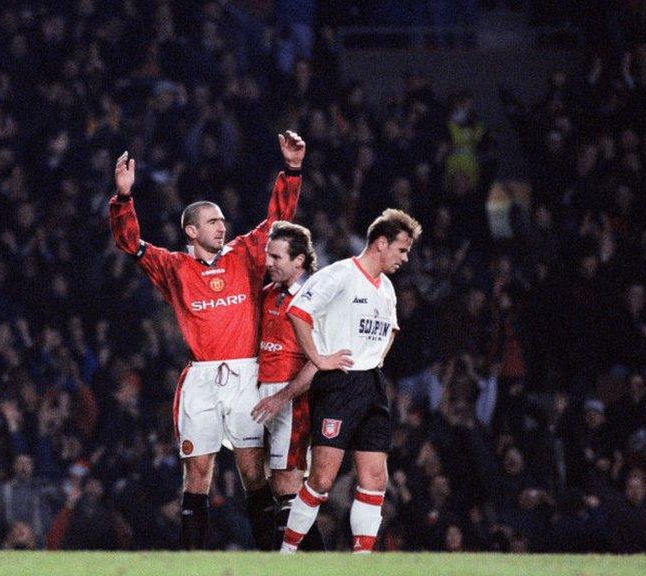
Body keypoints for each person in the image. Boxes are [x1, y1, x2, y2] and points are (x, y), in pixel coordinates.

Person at [110, 131, 305, 550]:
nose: (222, 226)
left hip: (246, 375)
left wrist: (291, 170)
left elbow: (277, 222)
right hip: (200, 378)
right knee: (197, 473)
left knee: (253, 471)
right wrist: (124, 199)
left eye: (222, 221)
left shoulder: (246, 254)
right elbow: (130, 244)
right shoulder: (174, 267)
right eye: (213, 222)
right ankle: (192, 560)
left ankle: (269, 557)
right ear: (192, 230)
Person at [280, 208, 422, 554]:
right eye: (402, 249)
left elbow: (390, 331)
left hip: (372, 385)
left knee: (375, 478)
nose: (405, 258)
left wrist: (374, 359)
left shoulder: (386, 288)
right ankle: (285, 556)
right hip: (338, 384)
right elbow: (298, 311)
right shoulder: (341, 274)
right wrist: (319, 358)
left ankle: (360, 563)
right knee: (322, 479)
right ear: (381, 243)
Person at [249, 220, 328, 550]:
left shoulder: (316, 299)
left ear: (299, 261)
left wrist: (283, 396)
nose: (269, 262)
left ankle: (298, 561)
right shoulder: (268, 295)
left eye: (277, 257)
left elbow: (318, 360)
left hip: (295, 400)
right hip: (264, 396)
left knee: (288, 484)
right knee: (270, 484)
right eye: (268, 255)